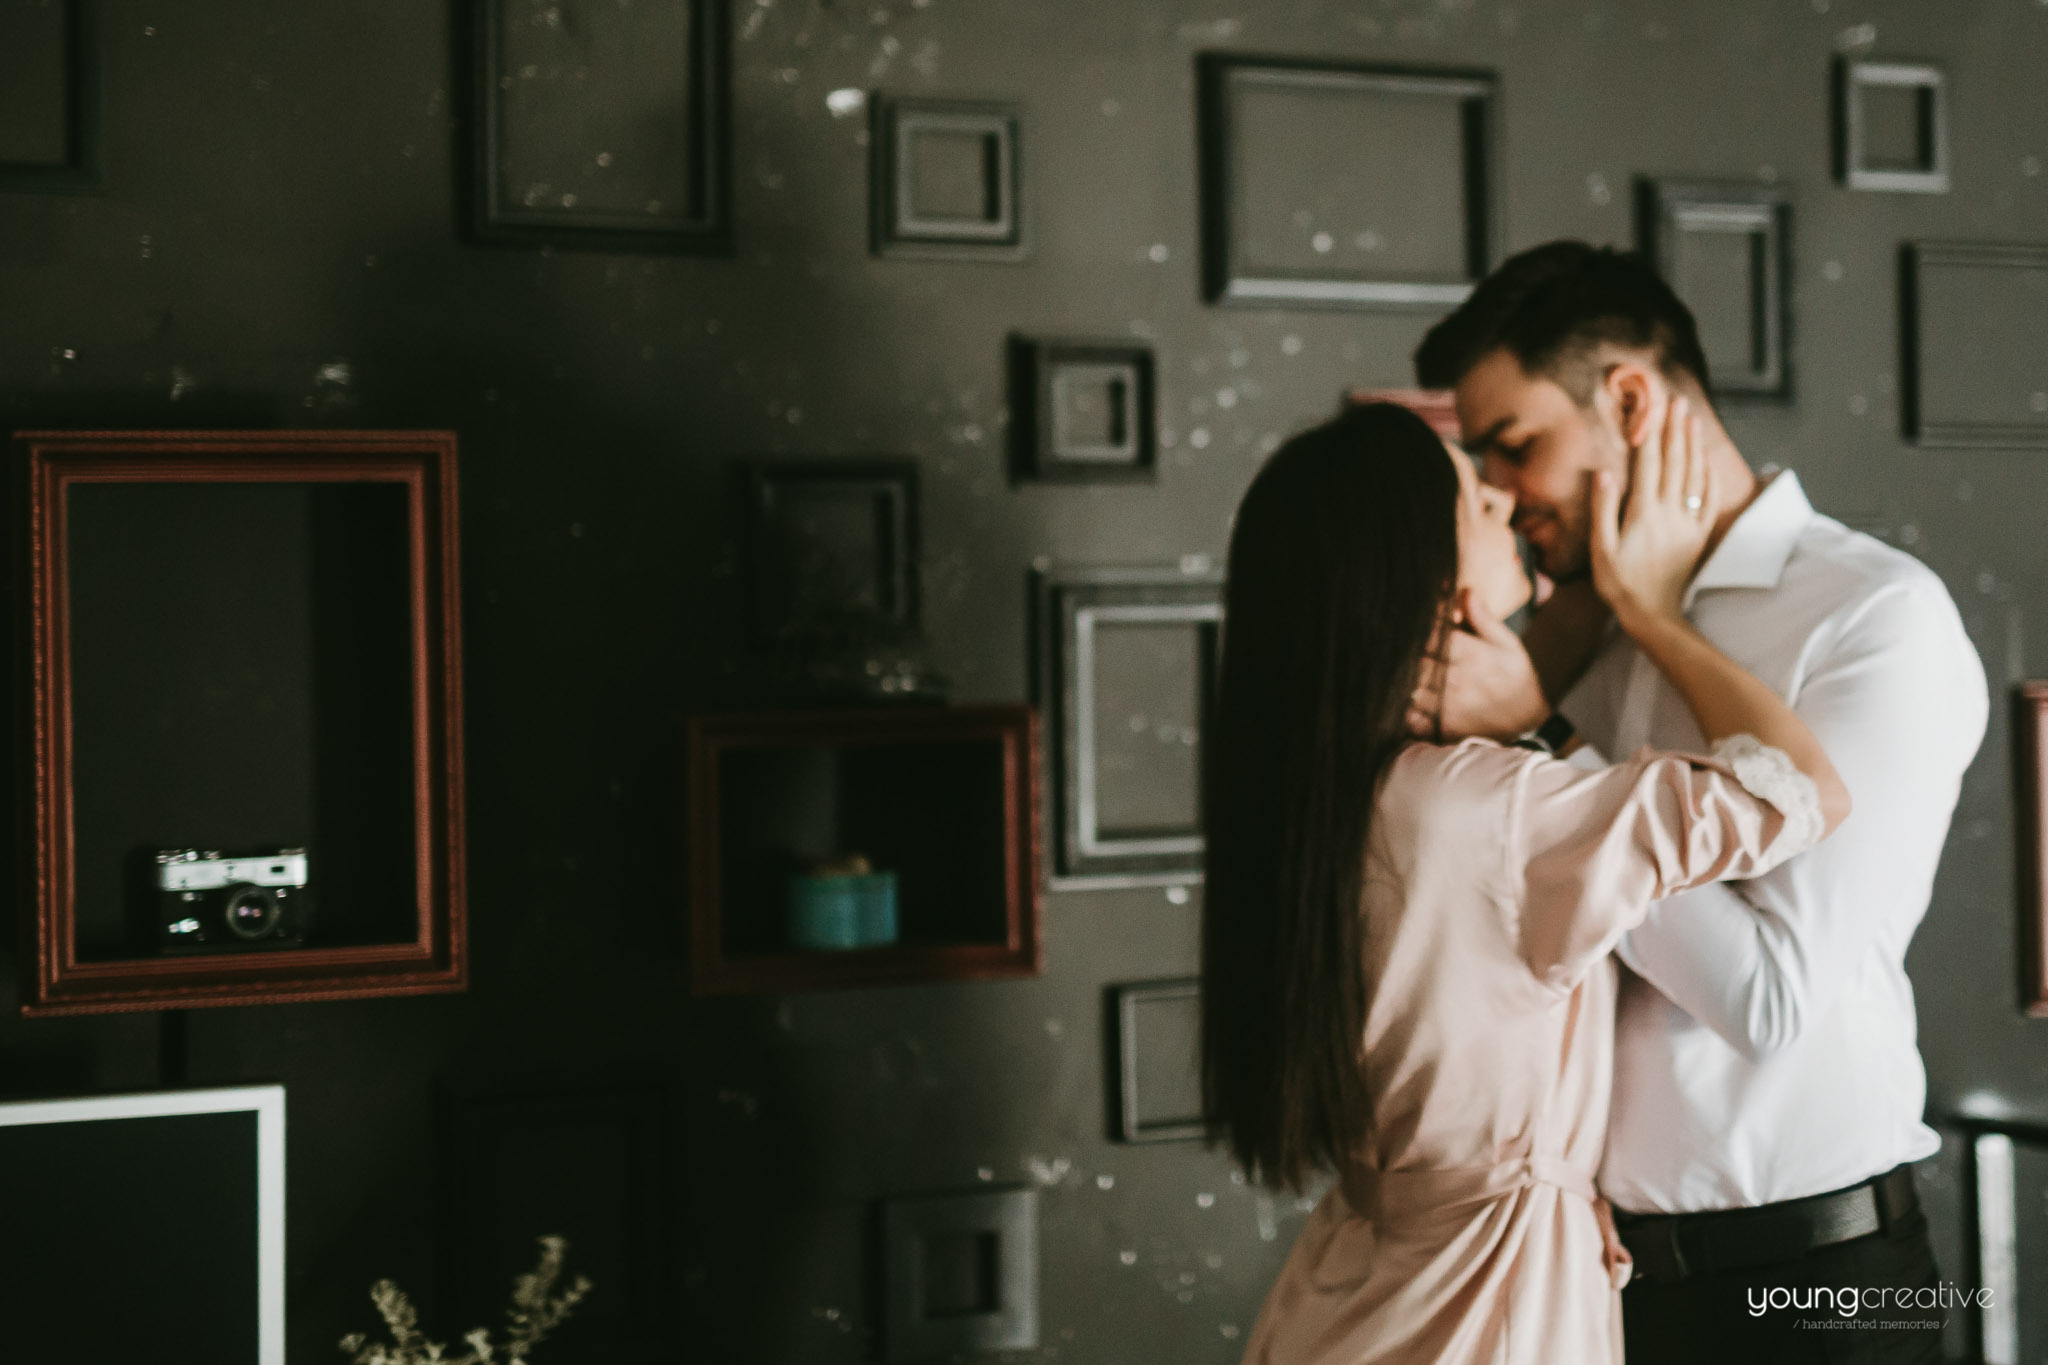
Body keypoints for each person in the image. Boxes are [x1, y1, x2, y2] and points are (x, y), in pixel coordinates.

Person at [1411, 241, 1988, 1363]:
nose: (1496, 493)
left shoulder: (1872, 619)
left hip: (1815, 1290)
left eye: (1512, 446)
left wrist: (1549, 731)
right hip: (1590, 1280)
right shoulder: (1571, 632)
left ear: (1627, 397)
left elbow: (1767, 1002)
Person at [1205, 396, 1850, 1365]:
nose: (1507, 508)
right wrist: (1650, 614)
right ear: (1422, 569)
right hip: (1479, 1315)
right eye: (1476, 499)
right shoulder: (1486, 809)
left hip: (1350, 1295)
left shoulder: (1317, 801)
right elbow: (1799, 791)